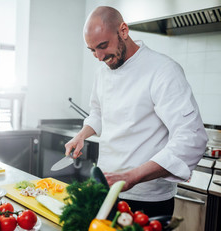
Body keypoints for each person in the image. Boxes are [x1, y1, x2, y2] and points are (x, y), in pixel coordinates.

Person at [65, 6, 208, 217]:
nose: (98, 56)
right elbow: (98, 112)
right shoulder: (103, 71)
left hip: (146, 200)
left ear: (123, 30)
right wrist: (82, 135)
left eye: (103, 46)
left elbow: (192, 138)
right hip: (105, 189)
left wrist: (133, 176)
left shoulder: (163, 70)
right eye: (92, 49)